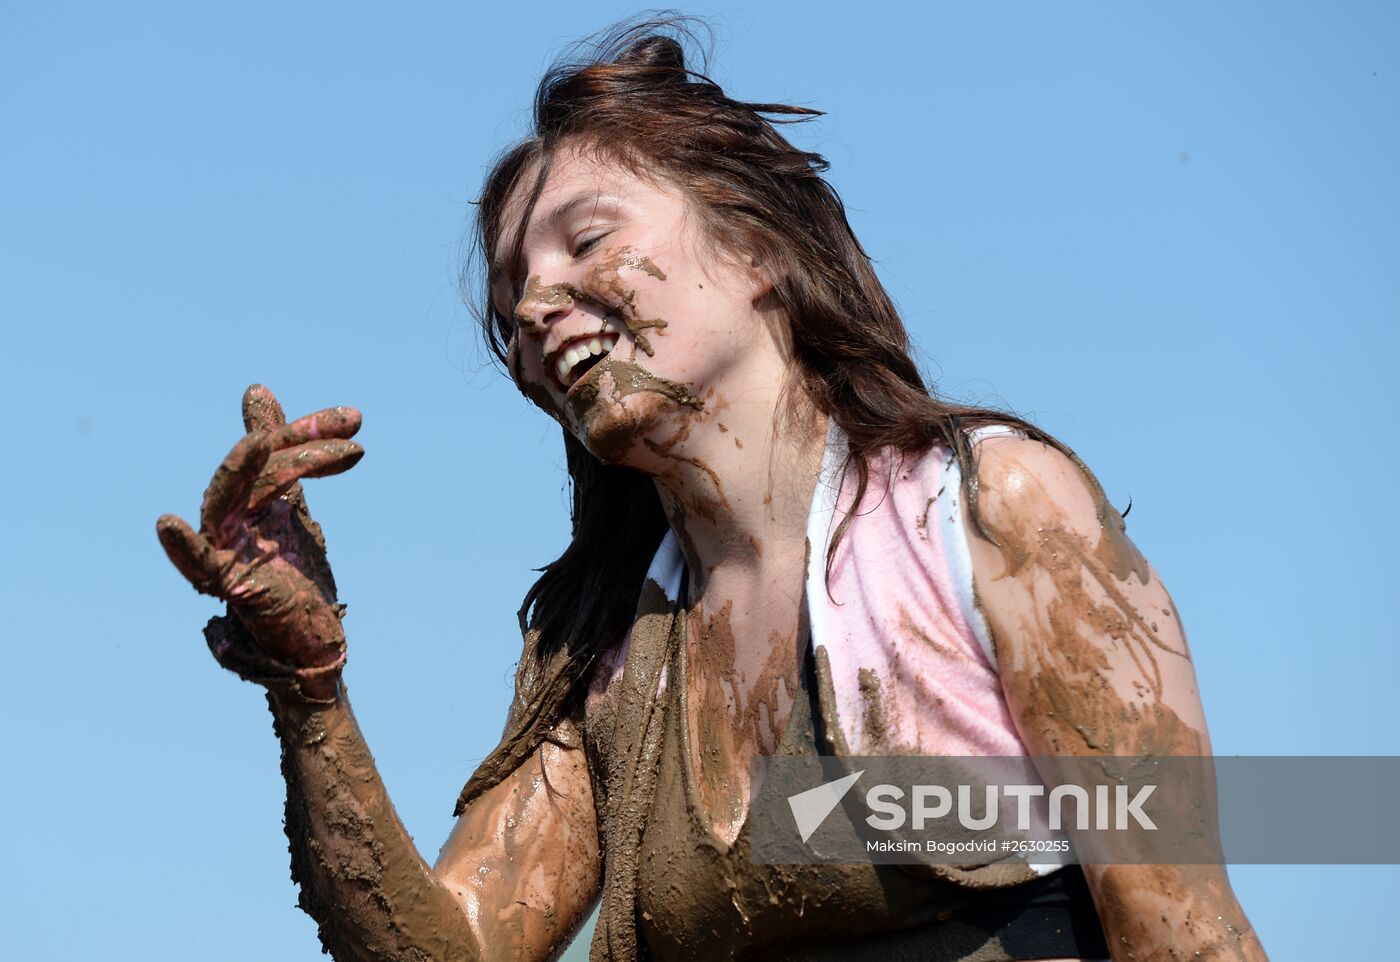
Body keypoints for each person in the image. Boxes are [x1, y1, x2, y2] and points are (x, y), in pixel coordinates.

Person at [156, 19, 1268, 962]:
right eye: (510, 298)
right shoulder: (598, 652)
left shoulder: (987, 511)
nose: (537, 304)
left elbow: (1183, 925)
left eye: (584, 239)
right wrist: (308, 687)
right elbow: (446, 945)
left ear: (754, 249)